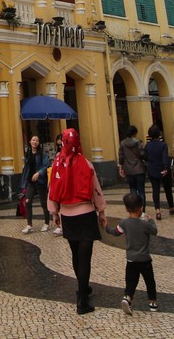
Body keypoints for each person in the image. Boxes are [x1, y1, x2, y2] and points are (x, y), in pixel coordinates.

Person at [47, 128, 107, 315]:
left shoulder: (58, 163)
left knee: (75, 255)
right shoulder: (86, 163)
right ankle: (82, 298)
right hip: (86, 214)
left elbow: (53, 189)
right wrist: (102, 212)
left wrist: (55, 212)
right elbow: (95, 188)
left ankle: (82, 288)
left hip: (68, 215)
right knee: (85, 259)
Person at [106, 192, 158, 314]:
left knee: (131, 281)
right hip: (145, 259)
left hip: (131, 260)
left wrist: (106, 226)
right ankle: (152, 302)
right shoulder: (145, 224)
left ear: (126, 208)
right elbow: (154, 231)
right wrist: (151, 221)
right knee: (150, 281)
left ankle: (127, 298)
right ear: (141, 207)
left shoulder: (124, 223)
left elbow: (115, 232)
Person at [20, 135, 51, 233]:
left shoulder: (42, 154)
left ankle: (47, 223)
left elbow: (46, 165)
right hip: (30, 181)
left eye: (37, 140)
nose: (35, 142)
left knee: (43, 203)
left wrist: (38, 173)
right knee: (28, 202)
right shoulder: (28, 153)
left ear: (39, 143)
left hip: (40, 181)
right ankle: (29, 225)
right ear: (30, 141)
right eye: (33, 140)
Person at [144, 126, 174, 219]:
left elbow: (146, 157)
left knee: (155, 190)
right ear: (159, 134)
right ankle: (171, 207)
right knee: (167, 189)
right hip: (162, 169)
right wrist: (166, 168)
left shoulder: (147, 146)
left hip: (152, 169)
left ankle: (158, 211)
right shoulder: (163, 145)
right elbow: (165, 157)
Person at [117, 126, 147, 206]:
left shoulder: (123, 143)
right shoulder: (138, 142)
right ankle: (142, 211)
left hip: (129, 170)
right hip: (139, 168)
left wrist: (120, 168)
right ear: (135, 133)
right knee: (141, 191)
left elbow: (121, 156)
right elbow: (142, 154)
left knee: (133, 190)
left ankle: (134, 209)